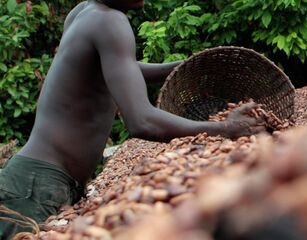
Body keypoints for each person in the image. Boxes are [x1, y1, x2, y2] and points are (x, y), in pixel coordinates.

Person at [0, 0, 265, 238]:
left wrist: (182, 66)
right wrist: (225, 128)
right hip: (34, 190)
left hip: (36, 180)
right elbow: (142, 121)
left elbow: (118, 65)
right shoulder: (110, 21)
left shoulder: (85, 11)